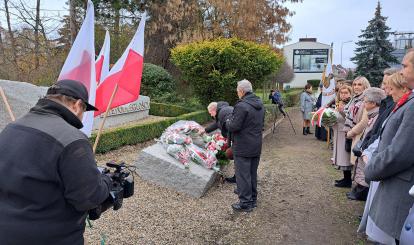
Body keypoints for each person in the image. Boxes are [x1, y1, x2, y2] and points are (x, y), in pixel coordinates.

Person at [0, 79, 112, 244]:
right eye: (84, 110)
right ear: (77, 105)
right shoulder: (73, 139)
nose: (82, 116)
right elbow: (89, 198)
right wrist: (106, 182)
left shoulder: (12, 127)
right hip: (50, 237)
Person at [365, 50, 414, 244]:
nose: (401, 71)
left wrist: (371, 168)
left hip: (400, 187)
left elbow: (400, 152)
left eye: (405, 66)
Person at [358, 72, 408, 244]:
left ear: (404, 88)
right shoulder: (397, 104)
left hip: (386, 168)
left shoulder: (407, 107)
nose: (387, 90)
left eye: (391, 87)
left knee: (388, 228)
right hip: (379, 162)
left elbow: (399, 149)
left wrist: (372, 167)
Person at [226, 79, 264, 212]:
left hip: (243, 146)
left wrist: (228, 120)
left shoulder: (242, 106)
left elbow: (234, 126)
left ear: (242, 91)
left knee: (242, 175)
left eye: (237, 91)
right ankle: (253, 200)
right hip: (256, 144)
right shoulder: (260, 104)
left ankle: (245, 202)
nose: (237, 93)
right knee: (252, 173)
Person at [347, 87, 385, 201]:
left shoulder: (376, 115)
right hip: (366, 146)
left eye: (365, 101)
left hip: (369, 149)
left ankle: (362, 193)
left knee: (364, 170)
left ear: (373, 103)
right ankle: (359, 190)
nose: (363, 103)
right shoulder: (372, 114)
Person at [205, 101, 235, 183]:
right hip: (238, 138)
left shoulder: (222, 112)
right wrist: (205, 130)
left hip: (238, 139)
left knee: (237, 157)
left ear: (214, 110)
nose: (211, 115)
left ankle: (241, 180)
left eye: (210, 113)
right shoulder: (222, 111)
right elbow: (217, 124)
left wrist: (229, 143)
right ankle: (238, 177)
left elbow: (231, 126)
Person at [333, 85, 352, 187]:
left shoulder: (350, 104)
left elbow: (351, 119)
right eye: (341, 93)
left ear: (350, 94)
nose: (343, 95)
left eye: (346, 93)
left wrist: (341, 111)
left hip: (345, 133)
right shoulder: (339, 103)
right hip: (338, 132)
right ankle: (345, 178)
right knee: (341, 156)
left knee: (345, 157)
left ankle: (348, 180)